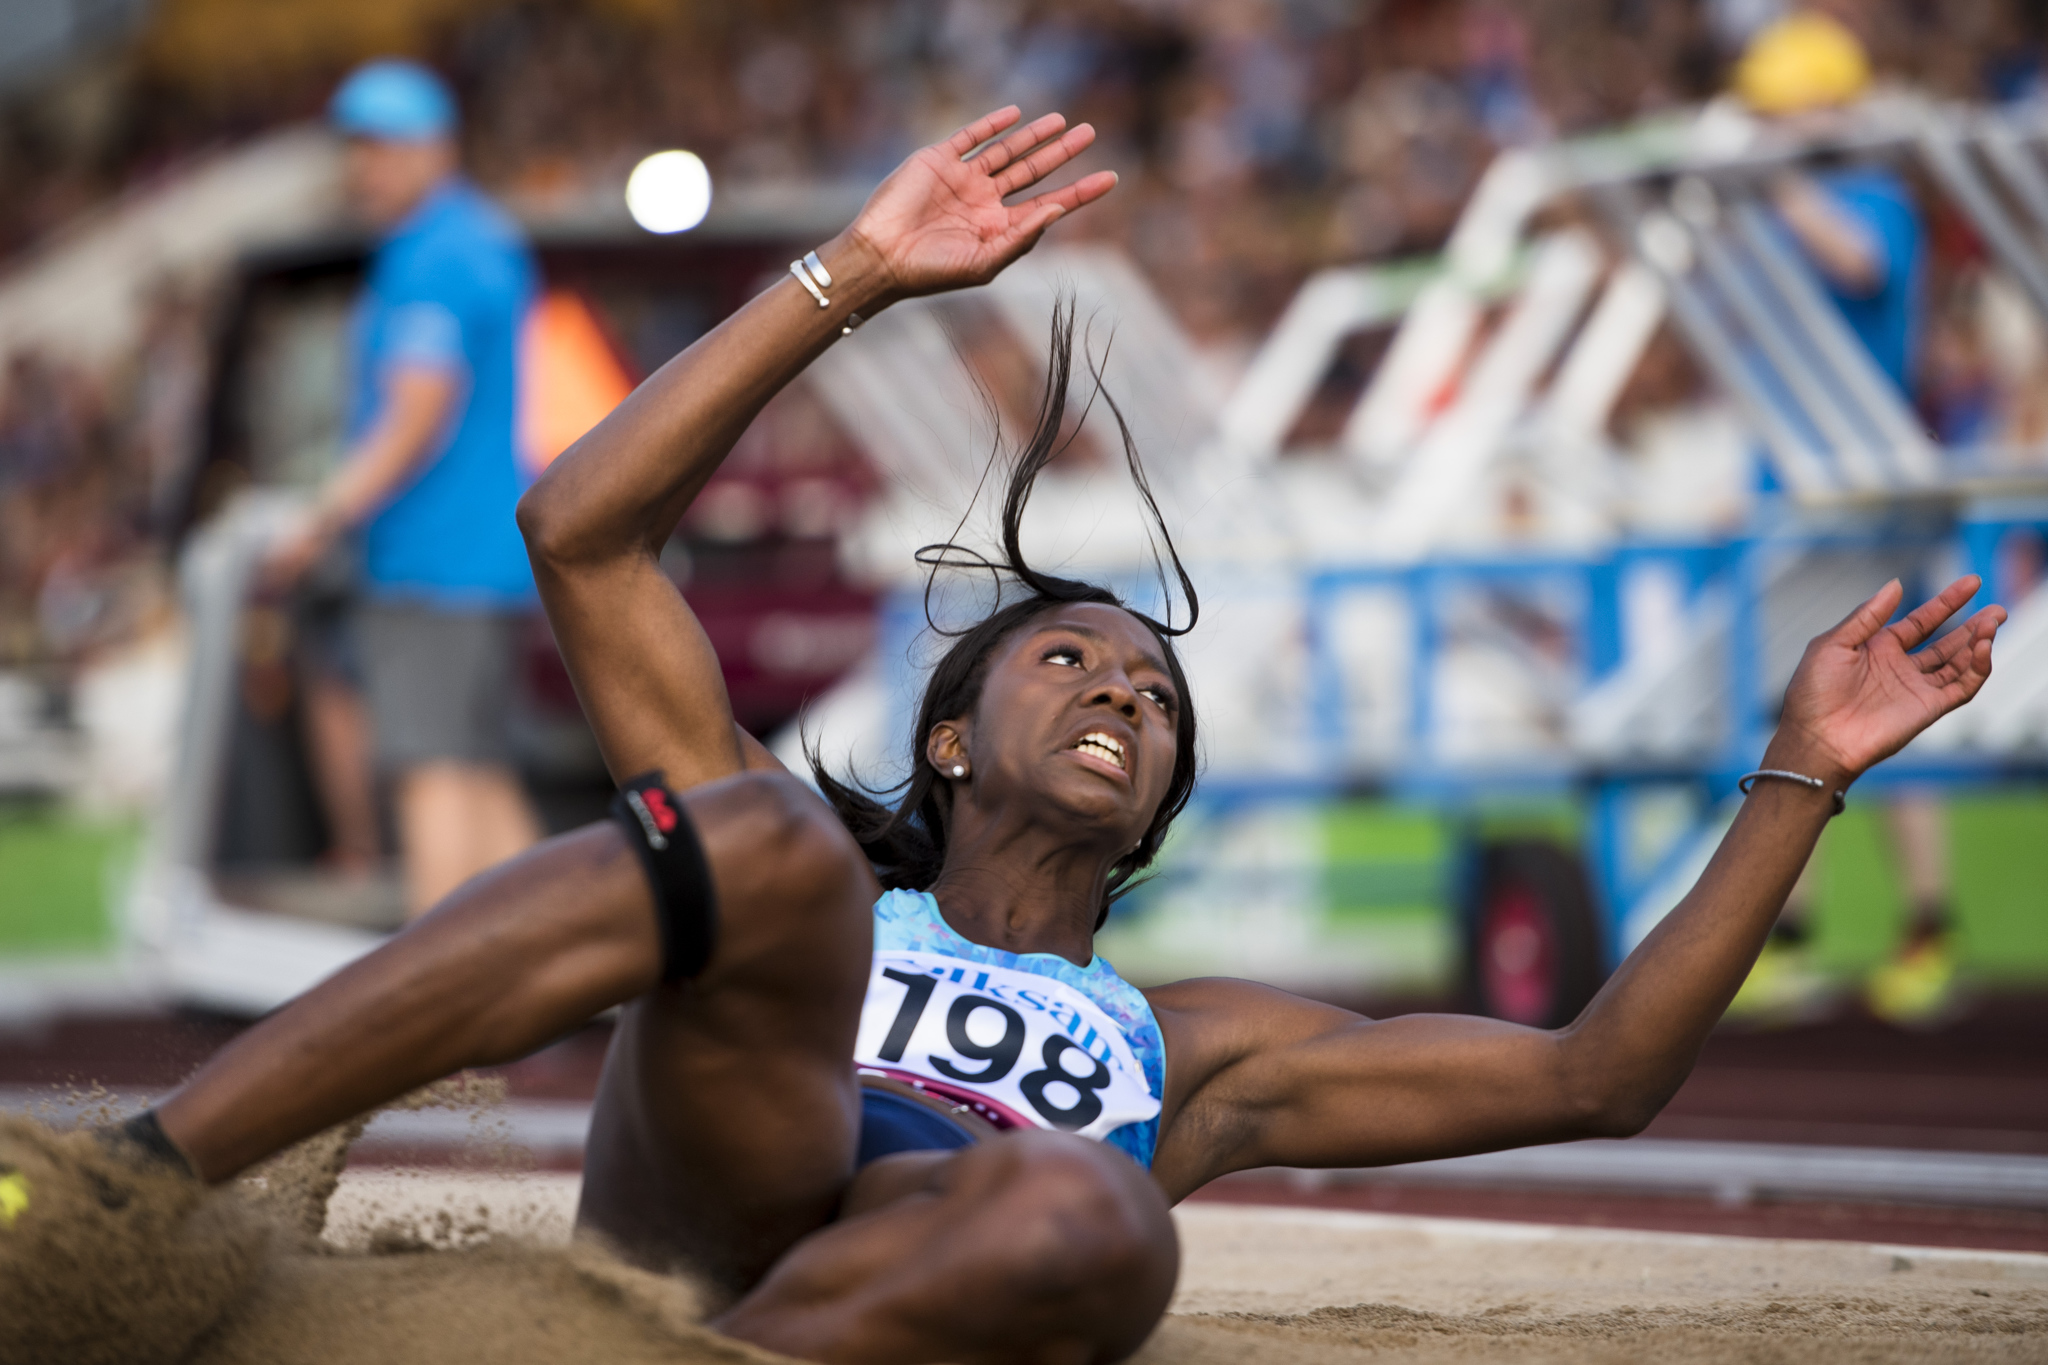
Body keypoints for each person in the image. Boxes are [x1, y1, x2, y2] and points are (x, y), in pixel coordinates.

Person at [114, 107, 1999, 1363]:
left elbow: (1595, 1077)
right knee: (756, 845)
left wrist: (1802, 773)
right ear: (946, 744)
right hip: (721, 1168)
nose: (1122, 689)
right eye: (1074, 662)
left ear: (1160, 801)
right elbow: (581, 533)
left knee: (1099, 1216)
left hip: (916, 1270)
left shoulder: (1194, 1050)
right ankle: (134, 1185)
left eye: (1156, 696)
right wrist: (852, 275)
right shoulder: (816, 878)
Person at [262, 59, 543, 917]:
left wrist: (321, 517)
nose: (364, 167)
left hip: (433, 558)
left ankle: (451, 989)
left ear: (437, 148)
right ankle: (557, 969)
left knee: (432, 776)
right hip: (482, 556)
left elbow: (416, 414)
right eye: (357, 148)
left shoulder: (433, 254)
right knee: (480, 773)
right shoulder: (481, 237)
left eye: (384, 147)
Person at [1730, 11, 1961, 1026]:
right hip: (1795, 500)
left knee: (1890, 708)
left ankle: (1927, 927)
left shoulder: (1872, 199)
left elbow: (1859, 264)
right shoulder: (1780, 208)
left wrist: (1775, 184)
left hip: (1867, 498)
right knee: (1783, 719)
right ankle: (1790, 937)